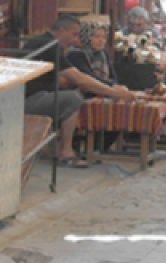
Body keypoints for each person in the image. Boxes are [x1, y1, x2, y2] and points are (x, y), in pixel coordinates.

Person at [24, 16, 134, 167]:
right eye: (74, 34)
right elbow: (79, 78)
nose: (76, 40)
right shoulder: (49, 45)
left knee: (70, 94)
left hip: (39, 94)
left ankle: (57, 146)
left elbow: (65, 77)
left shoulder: (49, 43)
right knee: (73, 99)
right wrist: (113, 93)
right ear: (62, 31)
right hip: (27, 100)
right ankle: (66, 151)